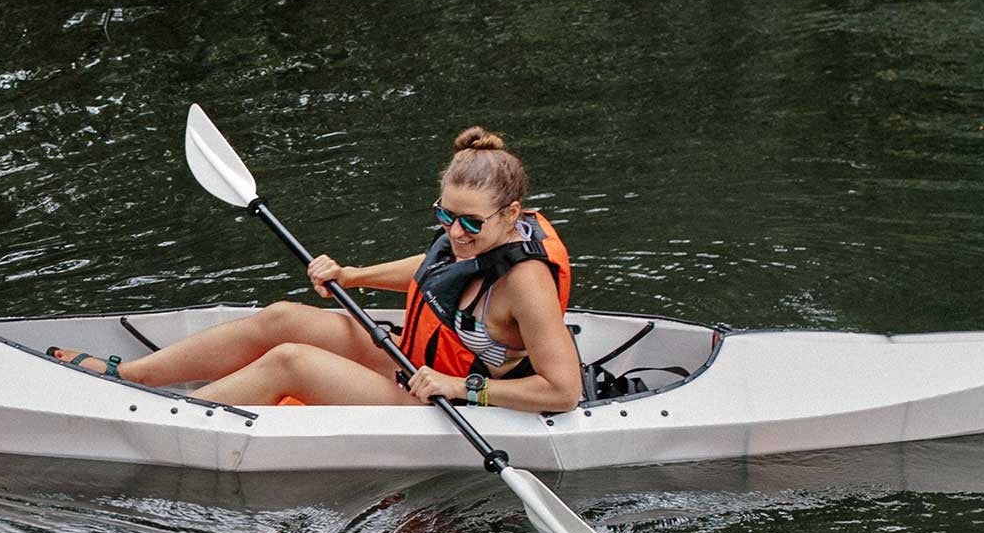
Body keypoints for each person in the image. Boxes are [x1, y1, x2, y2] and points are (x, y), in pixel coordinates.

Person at [47, 126, 585, 412]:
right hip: (412, 357)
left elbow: (562, 392)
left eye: (469, 223)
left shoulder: (527, 284)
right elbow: (432, 270)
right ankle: (133, 377)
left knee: (291, 362)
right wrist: (352, 276)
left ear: (512, 214)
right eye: (444, 215)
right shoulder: (470, 236)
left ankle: (176, 416)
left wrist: (459, 389)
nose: (454, 232)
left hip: (445, 393)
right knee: (283, 317)